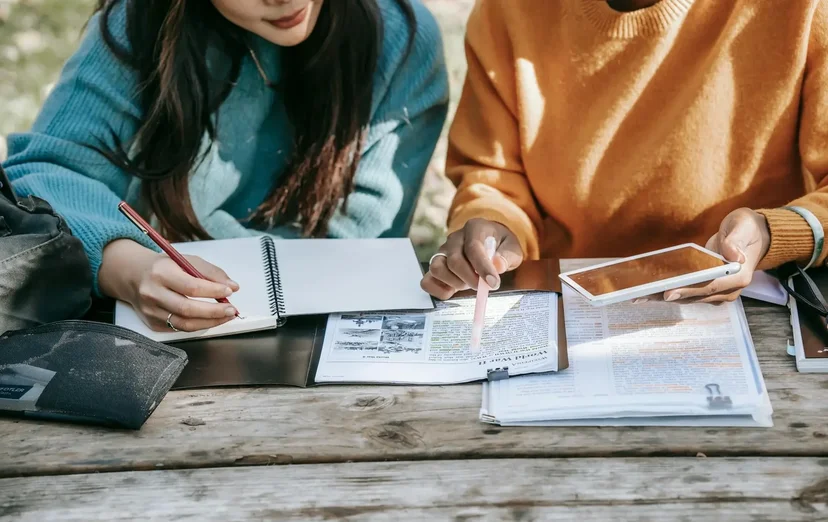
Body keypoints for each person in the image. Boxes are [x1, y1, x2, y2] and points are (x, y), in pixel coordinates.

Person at [3, 0, 449, 332]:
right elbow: (45, 175)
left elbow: (360, 245)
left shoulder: (401, 39)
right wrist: (129, 268)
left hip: (319, 339)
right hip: (150, 340)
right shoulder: (142, 22)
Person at [422, 0, 828, 304]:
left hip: (753, 307)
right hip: (568, 302)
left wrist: (773, 233)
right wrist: (493, 226)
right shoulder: (508, 11)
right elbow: (493, 174)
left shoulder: (802, 10)